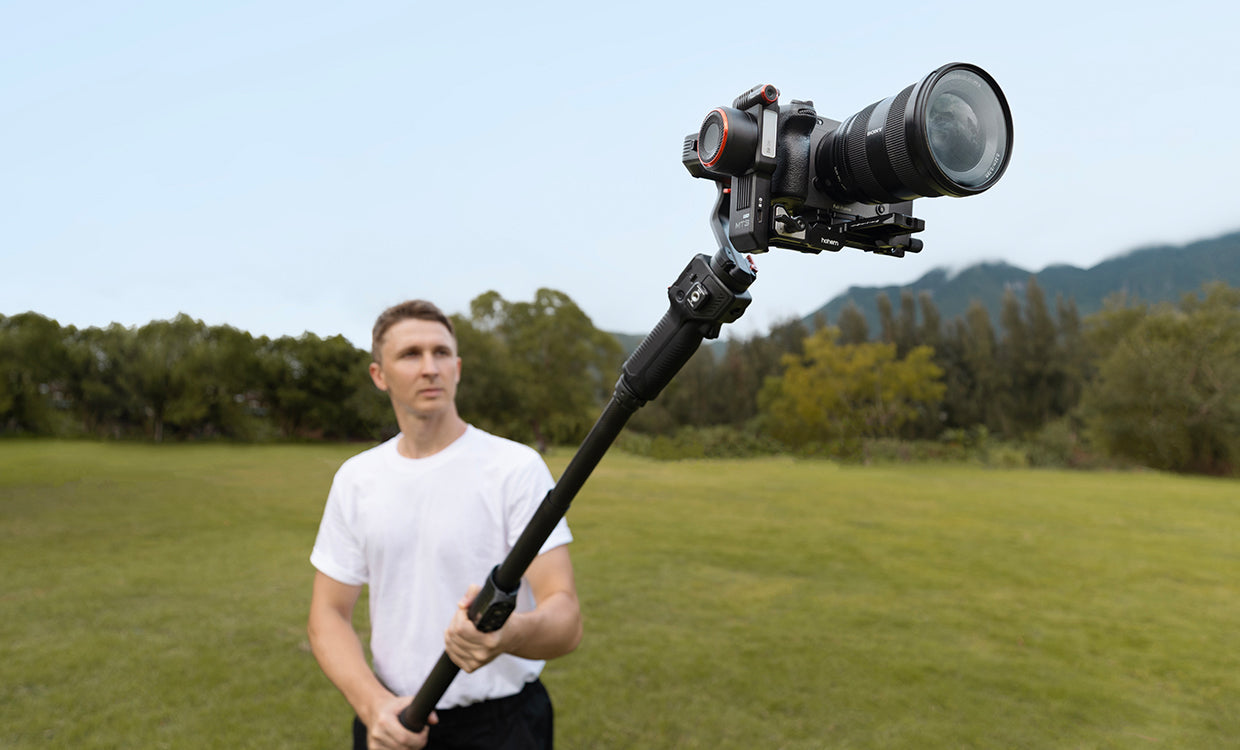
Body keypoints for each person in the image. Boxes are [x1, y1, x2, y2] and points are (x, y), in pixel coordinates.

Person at [307, 300, 582, 750]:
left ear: (457, 368)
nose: (429, 367)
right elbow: (327, 615)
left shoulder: (515, 468)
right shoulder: (357, 479)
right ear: (379, 375)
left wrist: (508, 634)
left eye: (441, 353)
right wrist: (372, 704)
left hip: (502, 727)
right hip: (392, 720)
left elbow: (566, 616)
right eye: (410, 354)